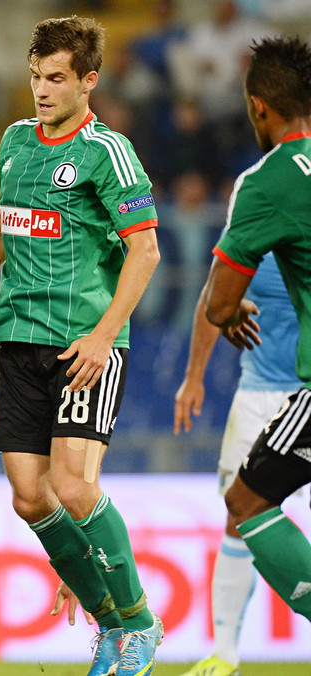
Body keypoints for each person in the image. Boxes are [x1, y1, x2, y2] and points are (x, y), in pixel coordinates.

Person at [0, 17, 163, 676]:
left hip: (84, 346)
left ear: (89, 81)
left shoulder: (107, 152)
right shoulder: (13, 142)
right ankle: (111, 623)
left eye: (56, 77)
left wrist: (103, 334)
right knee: (32, 497)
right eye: (35, 76)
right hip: (19, 342)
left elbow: (145, 250)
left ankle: (139, 623)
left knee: (72, 487)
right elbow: (7, 225)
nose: (41, 89)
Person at [200, 35, 311, 626]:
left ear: (257, 106)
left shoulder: (269, 181)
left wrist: (229, 311)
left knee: (244, 504)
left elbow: (219, 304)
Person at [175, 252, 300, 676]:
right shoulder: (254, 218)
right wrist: (194, 377)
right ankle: (225, 655)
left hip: (308, 391)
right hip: (257, 397)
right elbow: (215, 294)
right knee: (239, 514)